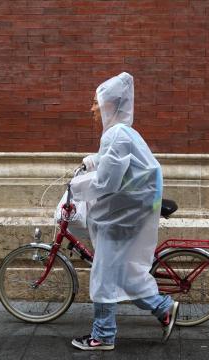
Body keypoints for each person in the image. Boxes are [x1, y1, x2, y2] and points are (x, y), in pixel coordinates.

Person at [69, 72, 179, 351]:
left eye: (95, 102)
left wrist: (77, 186)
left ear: (109, 104)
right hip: (130, 211)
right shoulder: (123, 133)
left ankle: (103, 335)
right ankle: (163, 307)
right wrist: (94, 161)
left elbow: (108, 182)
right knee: (122, 270)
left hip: (122, 216)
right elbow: (118, 167)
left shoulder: (116, 136)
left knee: (105, 272)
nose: (92, 108)